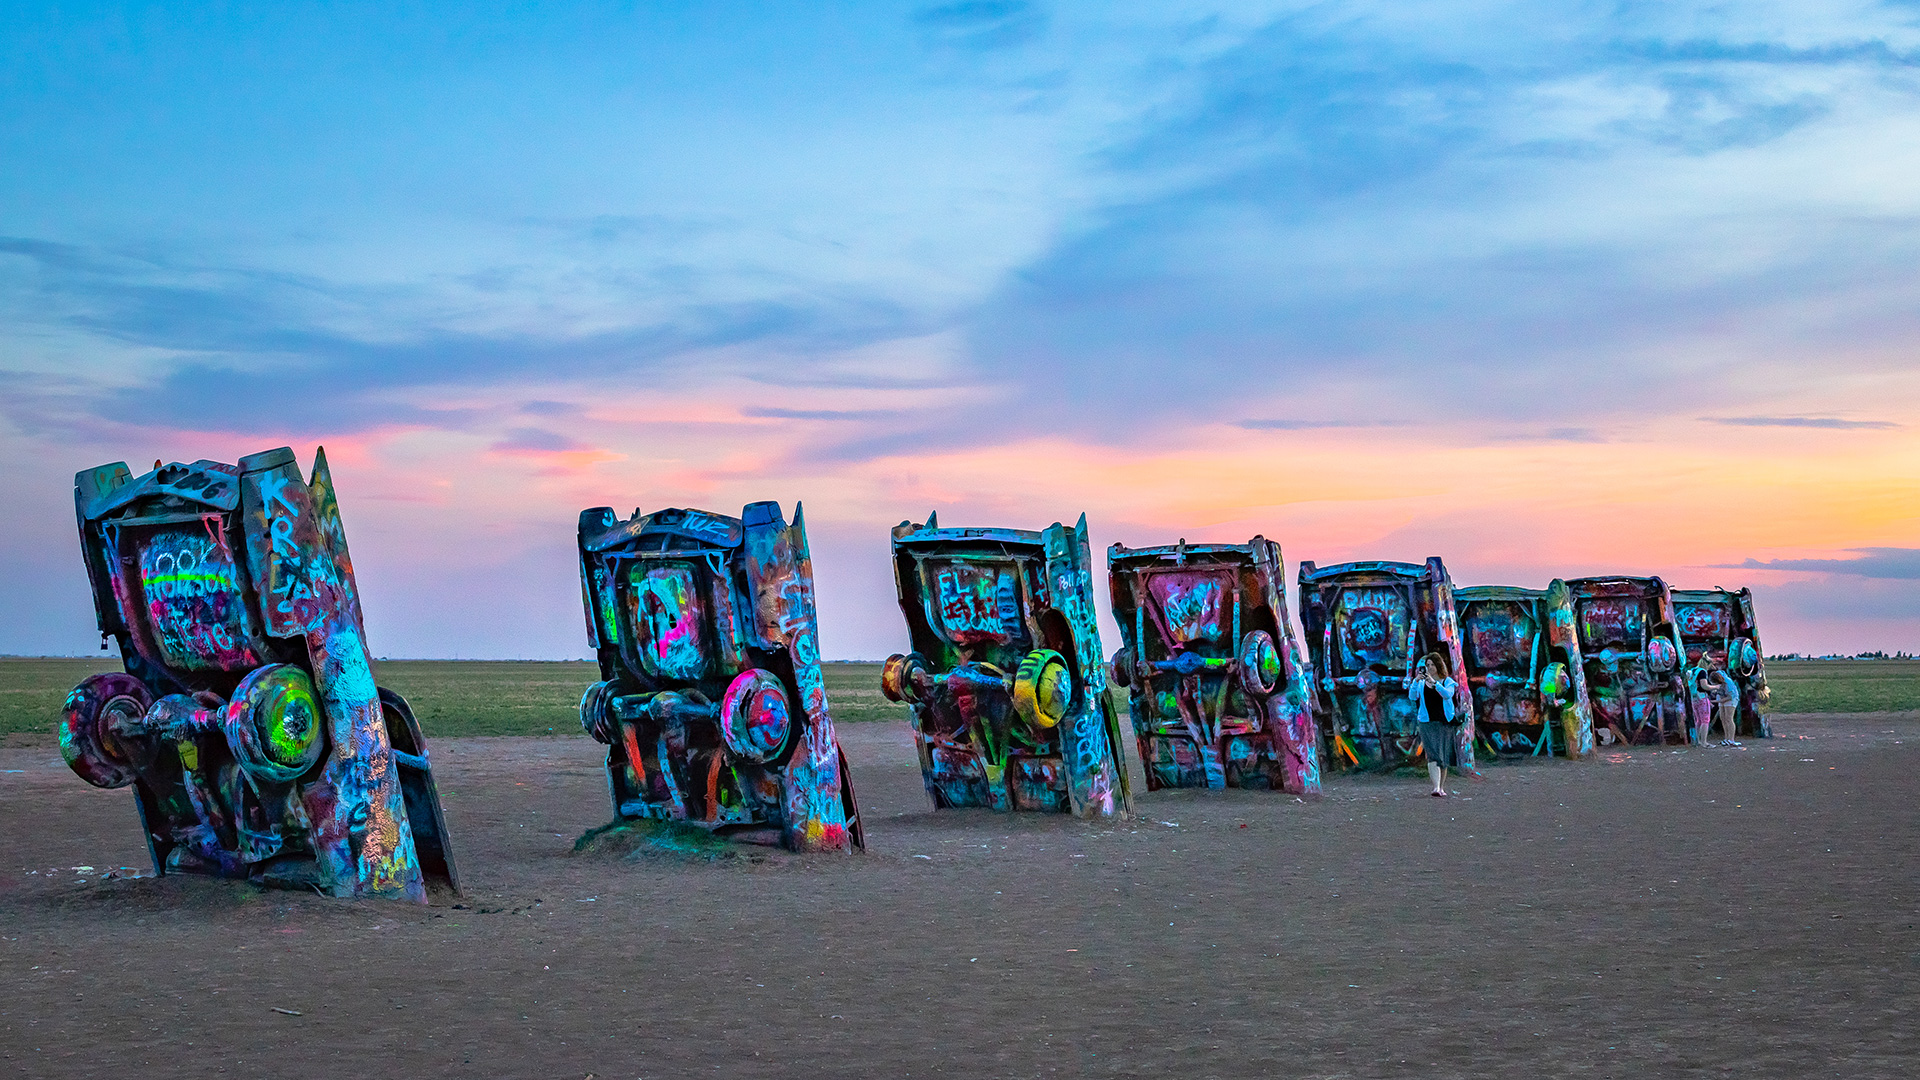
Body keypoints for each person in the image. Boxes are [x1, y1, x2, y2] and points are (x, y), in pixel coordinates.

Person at [1406, 652, 1462, 796]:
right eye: (1427, 665)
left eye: (1432, 665)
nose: (1429, 668)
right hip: (1426, 722)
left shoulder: (1447, 681)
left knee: (1442, 754)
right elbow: (1412, 696)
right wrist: (1415, 681)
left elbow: (1447, 694)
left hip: (1444, 722)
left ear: (1438, 665)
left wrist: (1434, 682)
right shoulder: (1421, 683)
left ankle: (1441, 787)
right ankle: (1436, 787)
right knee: (1432, 753)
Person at [1703, 656, 1742, 747]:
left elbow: (1730, 696)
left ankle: (1731, 739)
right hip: (1721, 697)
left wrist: (1717, 701)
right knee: (1723, 718)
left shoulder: (1728, 683)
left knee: (1729, 718)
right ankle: (1726, 738)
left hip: (1731, 699)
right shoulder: (1716, 679)